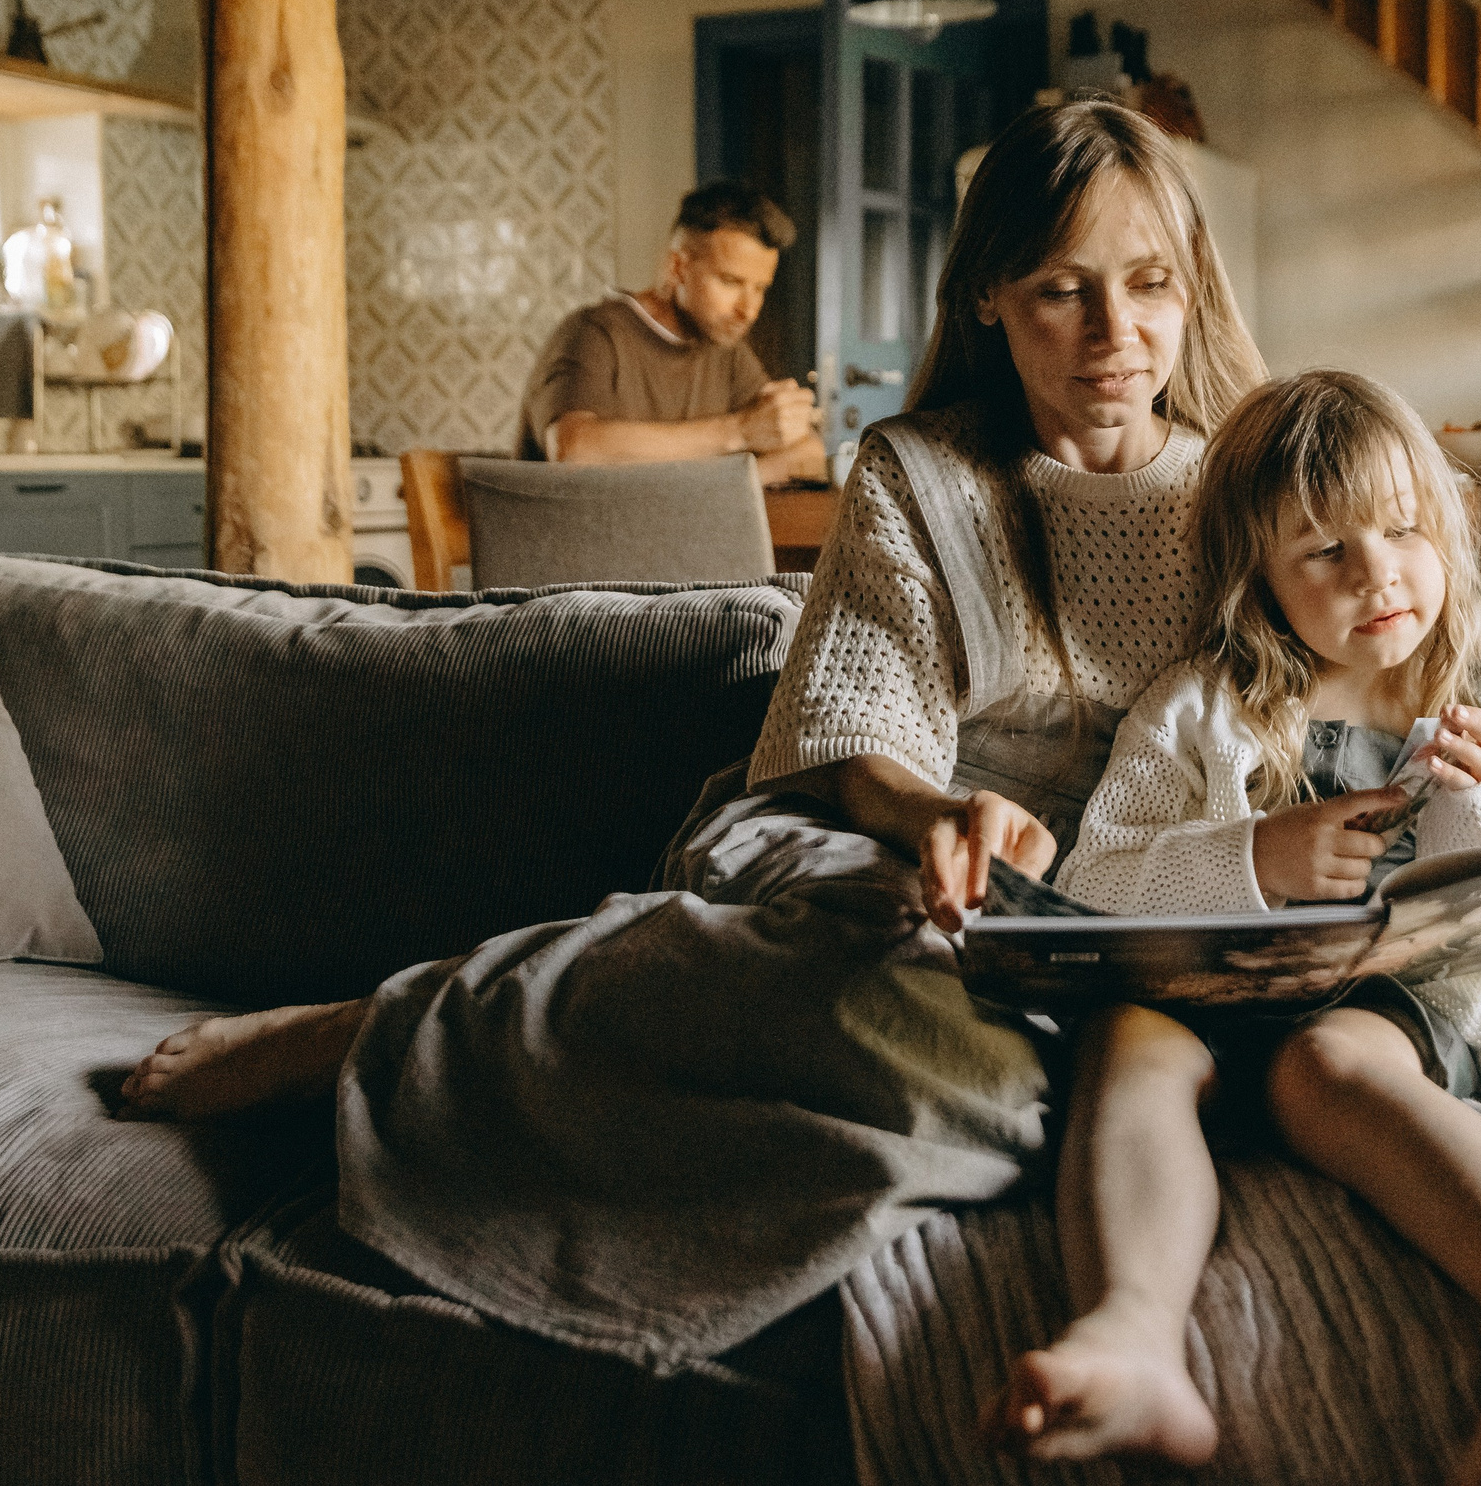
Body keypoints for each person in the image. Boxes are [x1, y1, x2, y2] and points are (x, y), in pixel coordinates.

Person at [117, 99, 1270, 1358]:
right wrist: (940, 816)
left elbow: (1385, 652)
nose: (1117, 333)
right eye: (1063, 288)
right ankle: (383, 1032)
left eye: (1150, 283)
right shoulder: (916, 469)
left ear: (1192, 287)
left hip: (1099, 910)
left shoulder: (1246, 488)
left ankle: (577, 1005)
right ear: (990, 296)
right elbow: (855, 728)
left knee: (1025, 1076)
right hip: (869, 832)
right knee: (890, 964)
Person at [985, 369, 1481, 1484]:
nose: (1376, 573)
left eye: (1401, 532)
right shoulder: (1198, 707)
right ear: (1258, 582)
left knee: (1325, 1061)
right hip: (1212, 998)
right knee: (1125, 1045)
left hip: (1396, 1012)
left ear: (1447, 532)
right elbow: (1098, 878)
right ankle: (1135, 1336)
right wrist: (1256, 857)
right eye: (1323, 553)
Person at [516, 179, 826, 485]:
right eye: (730, 282)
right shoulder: (594, 332)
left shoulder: (725, 348)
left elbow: (809, 452)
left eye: (760, 288)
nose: (749, 309)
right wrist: (739, 432)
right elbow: (574, 451)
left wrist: (733, 481)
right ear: (677, 268)